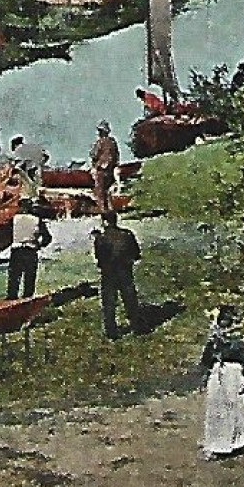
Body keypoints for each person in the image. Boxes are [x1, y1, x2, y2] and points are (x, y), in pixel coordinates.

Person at [200, 305, 244, 457]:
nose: (224, 322)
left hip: (236, 371)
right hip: (219, 371)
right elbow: (207, 355)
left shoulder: (242, 335)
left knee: (236, 406)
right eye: (222, 318)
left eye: (228, 319)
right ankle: (217, 444)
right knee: (218, 408)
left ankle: (239, 441)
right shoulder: (215, 334)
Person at [92, 211, 148, 339]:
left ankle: (111, 331)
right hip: (124, 271)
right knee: (130, 299)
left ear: (104, 222)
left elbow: (99, 258)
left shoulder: (101, 239)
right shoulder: (127, 235)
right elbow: (136, 254)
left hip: (108, 273)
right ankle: (136, 326)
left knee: (109, 302)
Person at [8, 200, 53, 300]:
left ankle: (11, 300)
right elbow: (47, 238)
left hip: (16, 250)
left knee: (14, 279)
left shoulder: (13, 219)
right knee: (29, 280)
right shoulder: (36, 220)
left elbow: (7, 235)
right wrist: (39, 245)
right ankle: (27, 301)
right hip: (30, 250)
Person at [90, 121, 120, 212]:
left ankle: (105, 215)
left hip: (101, 171)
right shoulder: (112, 142)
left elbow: (93, 154)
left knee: (100, 194)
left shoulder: (100, 142)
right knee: (108, 194)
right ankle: (110, 214)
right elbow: (116, 156)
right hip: (110, 171)